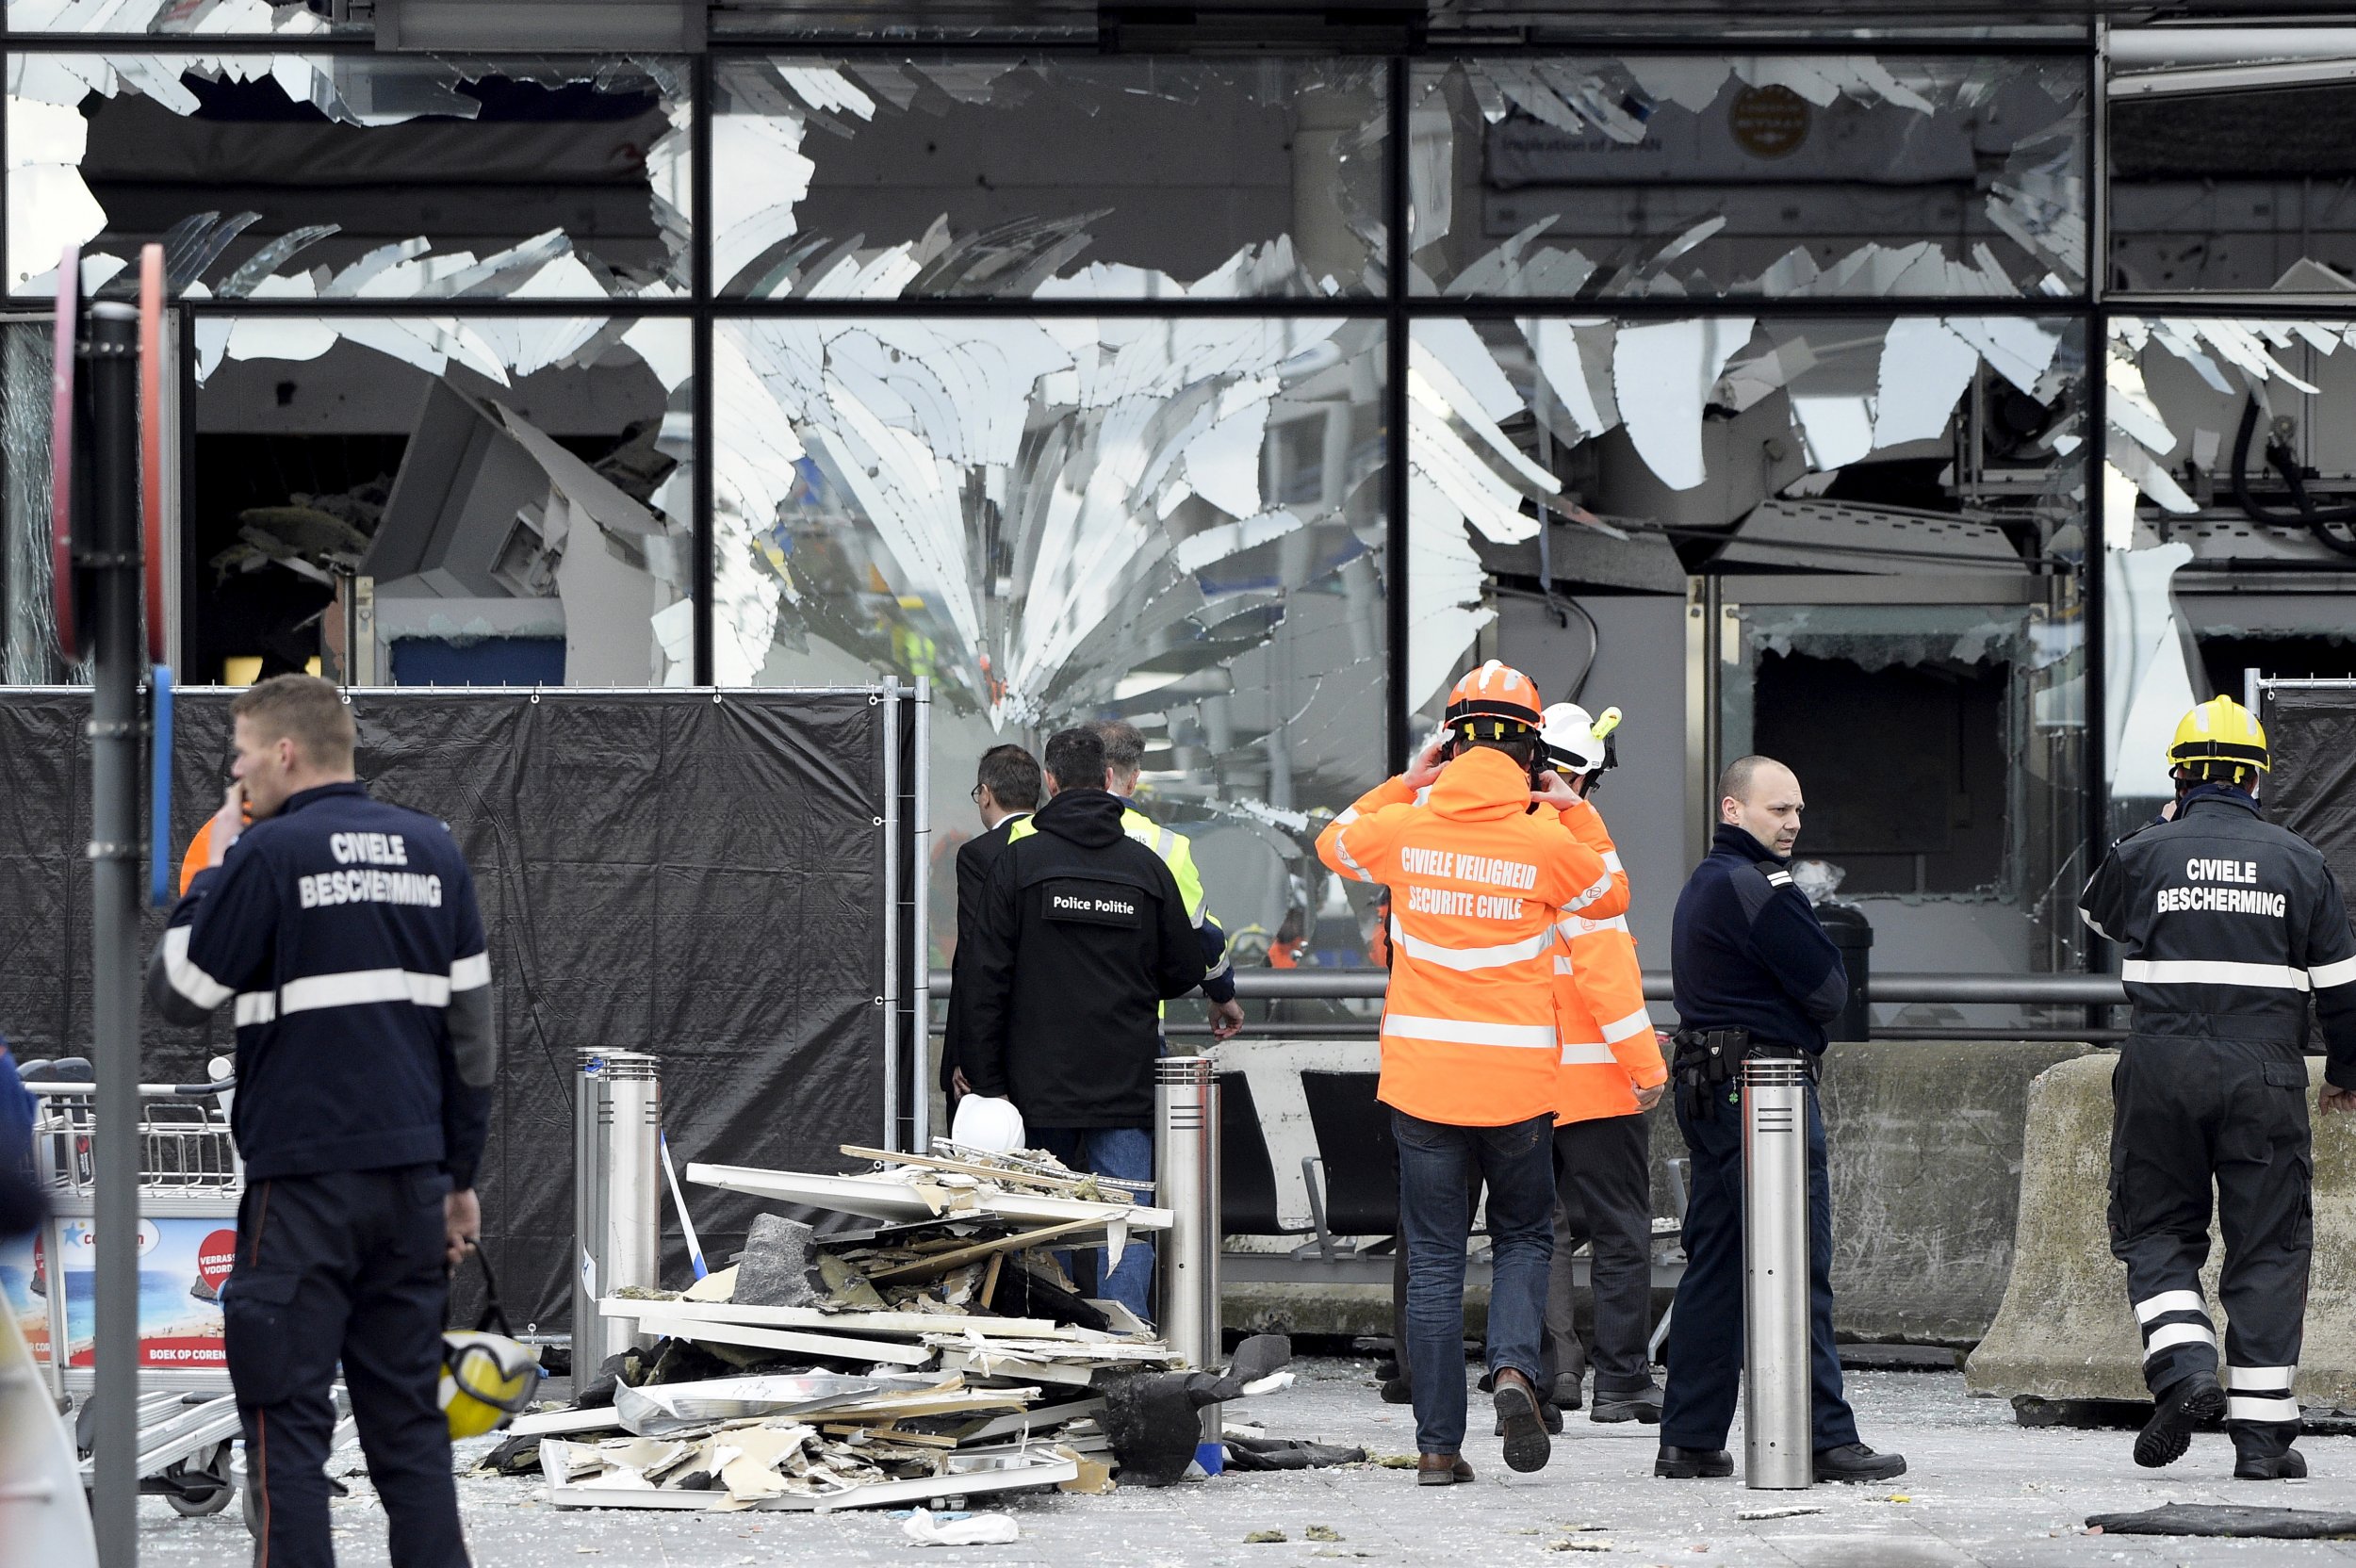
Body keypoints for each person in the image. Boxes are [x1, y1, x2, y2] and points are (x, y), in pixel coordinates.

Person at [146, 675, 496, 1568]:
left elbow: (180, 994)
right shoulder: (434, 853)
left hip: (301, 1190)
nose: (235, 771)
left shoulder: (267, 856)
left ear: (284, 753)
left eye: (241, 753)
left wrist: (220, 858)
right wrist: (458, 1182)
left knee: (285, 1430)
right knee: (411, 1433)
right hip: (413, 1183)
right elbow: (472, 1045)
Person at [1317, 661, 1625, 1486]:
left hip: (1423, 1084)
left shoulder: (1407, 827)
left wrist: (1402, 782)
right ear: (1531, 752)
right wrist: (1577, 810)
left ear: (1451, 742)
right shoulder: (1545, 837)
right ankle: (1518, 1373)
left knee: (1435, 1256)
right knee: (1525, 1236)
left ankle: (1436, 1448)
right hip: (1519, 1087)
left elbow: (1334, 841)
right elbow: (1611, 895)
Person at [2078, 696, 2356, 1481]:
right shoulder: (2301, 862)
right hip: (2265, 1074)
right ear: (2257, 779)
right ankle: (2264, 1444)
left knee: (2156, 1230)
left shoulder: (2143, 852)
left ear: (2181, 774)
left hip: (2161, 1067)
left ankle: (2185, 1363)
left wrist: (2164, 840)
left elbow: (2099, 919)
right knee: (2269, 1247)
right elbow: (2343, 989)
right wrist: (2346, 1074)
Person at [1656, 755, 1905, 1484]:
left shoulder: (1707, 883)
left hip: (1711, 1087)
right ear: (1733, 811)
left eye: (1797, 810)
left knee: (1719, 1265)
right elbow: (1831, 987)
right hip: (1765, 1092)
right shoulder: (1757, 885)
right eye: (1777, 810)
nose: (1793, 823)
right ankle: (1824, 1437)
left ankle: (1691, 1439)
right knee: (1796, 1264)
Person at [959, 726, 1208, 1323]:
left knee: (1046, 1223)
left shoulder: (1019, 862)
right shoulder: (1145, 868)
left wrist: (988, 1080)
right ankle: (1126, 1353)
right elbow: (1184, 968)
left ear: (1049, 783)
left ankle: (1059, 1344)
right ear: (1107, 782)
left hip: (1038, 1084)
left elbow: (982, 975)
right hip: (1123, 1082)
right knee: (1127, 1222)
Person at [1534, 703, 1668, 1427]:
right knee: (1621, 1231)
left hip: (1520, 1085)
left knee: (1538, 1233)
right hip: (1597, 1086)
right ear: (1578, 778)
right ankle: (1621, 1379)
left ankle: (1553, 1374)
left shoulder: (1503, 849)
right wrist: (1648, 1069)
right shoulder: (1580, 857)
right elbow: (1608, 977)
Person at [942, 743, 1041, 1102]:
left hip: (995, 1045)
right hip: (1058, 1050)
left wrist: (968, 1056)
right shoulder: (1059, 849)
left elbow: (974, 956)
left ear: (986, 795)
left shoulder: (980, 854)